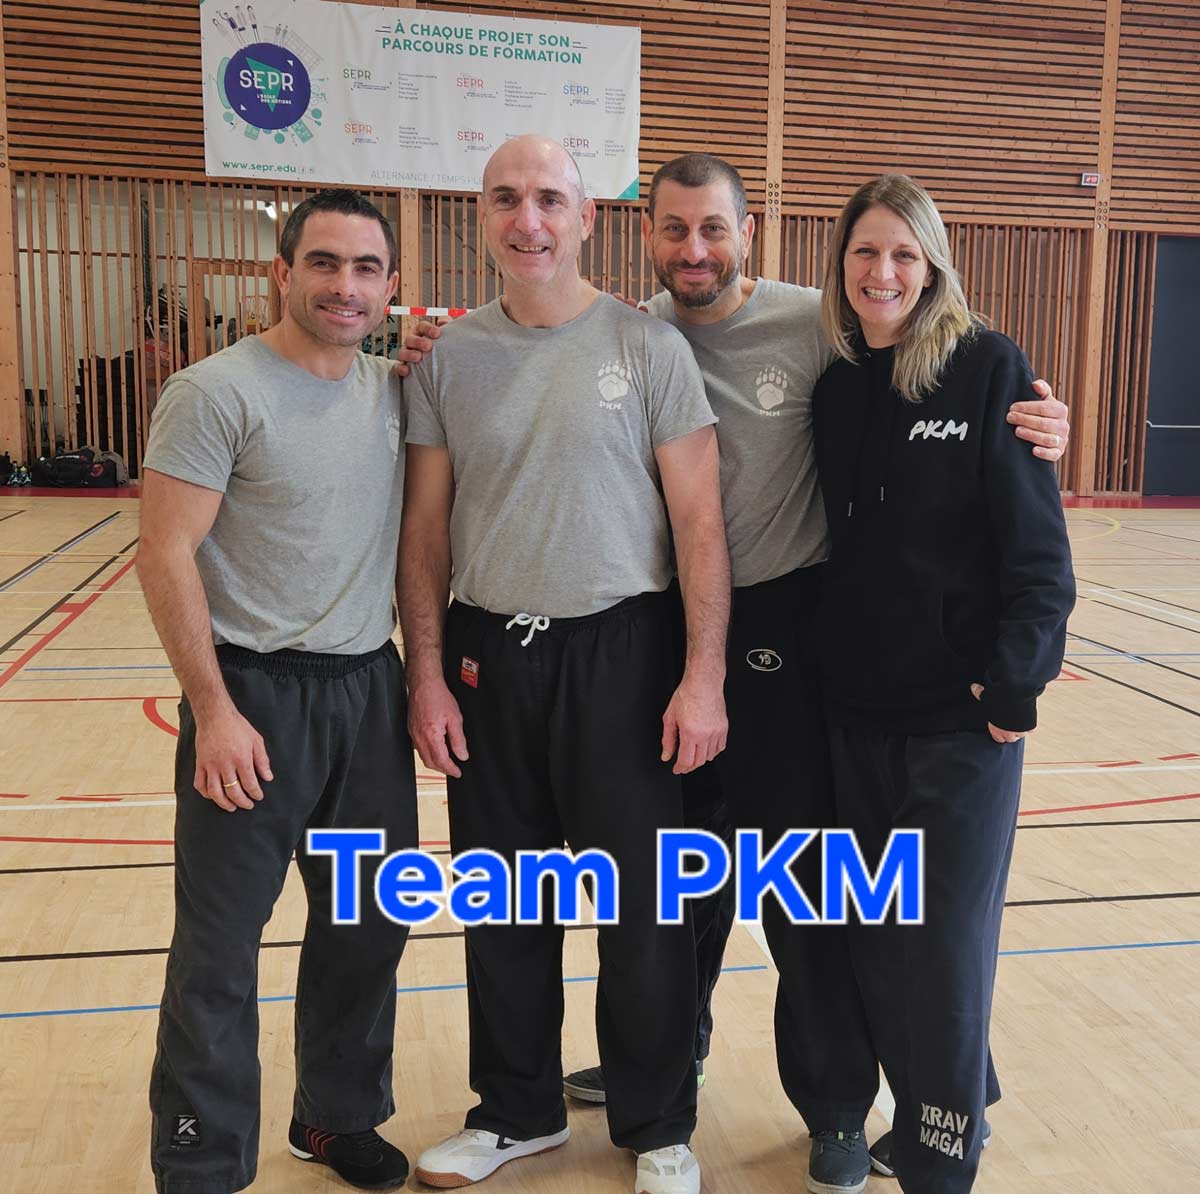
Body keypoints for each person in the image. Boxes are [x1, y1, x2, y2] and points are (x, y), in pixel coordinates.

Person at [396, 152, 1071, 1194]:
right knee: (681, 874)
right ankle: (661, 1068)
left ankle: (836, 1105)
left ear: (749, 233)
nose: (695, 249)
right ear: (642, 235)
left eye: (714, 228)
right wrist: (413, 345)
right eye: (674, 230)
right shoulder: (629, 332)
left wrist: (1032, 412)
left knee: (803, 883)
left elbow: (929, 348)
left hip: (788, 633)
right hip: (660, 632)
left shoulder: (820, 320)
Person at [398, 135, 730, 1194]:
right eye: (506, 198)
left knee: (643, 912)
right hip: (492, 657)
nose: (527, 219)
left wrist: (704, 675)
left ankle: (657, 1122)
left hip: (624, 653)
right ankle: (516, 1112)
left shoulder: (650, 349)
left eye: (549, 198)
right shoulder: (446, 358)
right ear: (482, 218)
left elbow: (700, 526)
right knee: (502, 900)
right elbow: (425, 534)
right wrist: (425, 674)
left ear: (587, 219)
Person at [138, 189, 416, 1194]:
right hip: (252, 693)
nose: (345, 286)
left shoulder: (396, 391)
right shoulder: (214, 392)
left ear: (390, 285)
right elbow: (165, 553)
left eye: (366, 268)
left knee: (366, 925)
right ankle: (201, 1160)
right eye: (325, 263)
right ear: (282, 272)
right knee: (219, 950)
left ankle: (335, 1118)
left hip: (368, 692)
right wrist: (213, 709)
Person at [811, 174, 1075, 1194]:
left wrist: (1014, 688)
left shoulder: (988, 368)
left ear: (932, 268)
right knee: (880, 939)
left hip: (960, 728)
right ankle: (965, 1098)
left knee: (944, 949)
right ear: (842, 264)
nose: (882, 272)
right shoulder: (836, 388)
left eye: (903, 254)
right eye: (865, 251)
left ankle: (938, 1156)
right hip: (855, 718)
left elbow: (1039, 556)